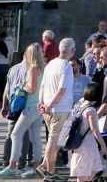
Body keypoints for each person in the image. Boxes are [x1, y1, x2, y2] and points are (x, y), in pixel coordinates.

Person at [0, 45, 43, 179]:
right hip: (38, 106)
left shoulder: (33, 68)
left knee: (16, 134)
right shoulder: (42, 68)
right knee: (35, 137)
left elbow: (32, 89)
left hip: (30, 106)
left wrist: (21, 85)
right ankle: (36, 166)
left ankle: (12, 166)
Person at [37, 38, 76, 179]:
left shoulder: (50, 64)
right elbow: (61, 90)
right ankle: (50, 172)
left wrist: (42, 102)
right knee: (54, 142)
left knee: (53, 140)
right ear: (72, 51)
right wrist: (49, 104)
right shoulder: (66, 66)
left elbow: (42, 86)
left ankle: (45, 167)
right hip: (59, 108)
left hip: (48, 108)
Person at [63, 86, 106, 182]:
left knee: (85, 172)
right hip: (88, 145)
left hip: (77, 143)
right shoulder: (91, 110)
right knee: (88, 172)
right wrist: (102, 144)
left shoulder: (78, 106)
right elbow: (94, 129)